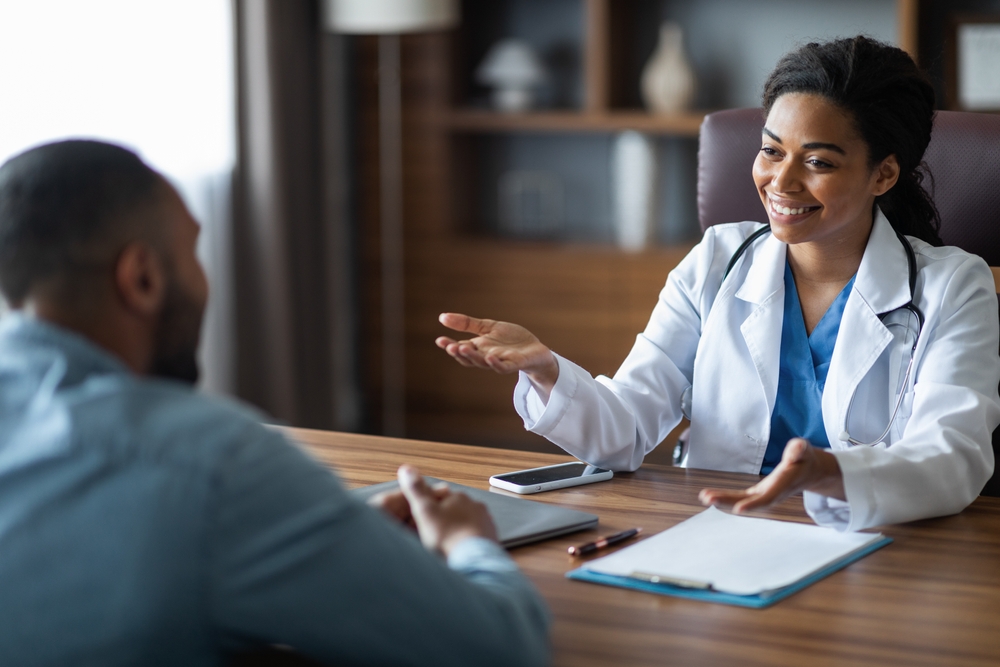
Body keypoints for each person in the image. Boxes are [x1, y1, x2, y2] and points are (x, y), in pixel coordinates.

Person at [0, 140, 550, 666]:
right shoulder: (216, 462)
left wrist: (316, 530)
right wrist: (468, 542)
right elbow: (503, 647)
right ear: (142, 277)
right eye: (195, 249)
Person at [437, 36, 1000, 532]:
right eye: (771, 151)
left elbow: (954, 458)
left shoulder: (952, 286)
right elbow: (628, 427)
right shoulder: (717, 260)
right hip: (719, 530)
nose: (781, 181)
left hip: (874, 543)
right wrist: (545, 369)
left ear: (883, 173)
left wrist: (833, 474)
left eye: (819, 163)